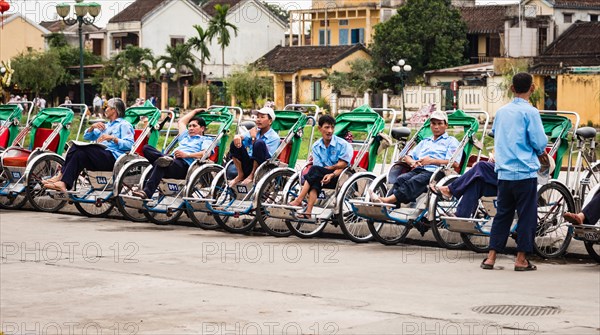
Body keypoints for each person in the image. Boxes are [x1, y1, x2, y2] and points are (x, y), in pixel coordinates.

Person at [480, 72, 548, 272]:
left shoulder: (501, 112)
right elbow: (539, 142)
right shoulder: (531, 112)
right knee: (527, 216)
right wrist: (540, 152)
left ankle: (491, 257)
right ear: (532, 88)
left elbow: (496, 134)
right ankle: (521, 259)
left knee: (503, 215)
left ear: (511, 89)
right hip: (524, 172)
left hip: (504, 172)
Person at [370, 111, 459, 207]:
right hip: (419, 169)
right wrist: (412, 162)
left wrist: (432, 161)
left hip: (437, 172)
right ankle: (392, 206)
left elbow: (455, 163)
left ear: (446, 125)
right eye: (433, 124)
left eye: (440, 123)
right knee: (401, 179)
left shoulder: (451, 141)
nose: (436, 127)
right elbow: (408, 156)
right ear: (430, 125)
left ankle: (386, 201)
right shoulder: (425, 141)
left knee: (415, 181)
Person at [43, 98, 134, 192]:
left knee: (81, 149)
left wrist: (113, 138)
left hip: (113, 158)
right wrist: (92, 128)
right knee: (77, 152)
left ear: (114, 110)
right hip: (101, 156)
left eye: (107, 107)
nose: (105, 109)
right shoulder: (106, 125)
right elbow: (87, 137)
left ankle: (60, 176)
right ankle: (63, 182)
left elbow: (129, 145)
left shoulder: (124, 125)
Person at [132, 109, 212, 199]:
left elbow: (206, 153)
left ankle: (146, 192)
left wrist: (186, 155)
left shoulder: (206, 140)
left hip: (184, 165)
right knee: (146, 148)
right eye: (189, 126)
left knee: (161, 164)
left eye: (194, 126)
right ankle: (164, 160)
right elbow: (181, 122)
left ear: (202, 128)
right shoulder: (185, 136)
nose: (191, 128)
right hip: (172, 160)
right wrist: (195, 111)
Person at [288, 115, 352, 218]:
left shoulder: (343, 145)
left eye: (332, 127)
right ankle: (308, 212)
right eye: (326, 127)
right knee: (315, 178)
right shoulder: (316, 146)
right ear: (320, 128)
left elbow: (343, 165)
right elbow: (318, 167)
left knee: (314, 171)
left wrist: (331, 173)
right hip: (322, 176)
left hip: (339, 177)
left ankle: (299, 199)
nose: (330, 131)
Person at [228, 106, 280, 187]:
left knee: (259, 143)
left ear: (270, 121)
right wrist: (238, 137)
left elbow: (268, 158)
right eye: (257, 117)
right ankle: (240, 174)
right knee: (234, 143)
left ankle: (252, 176)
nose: (258, 119)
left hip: (263, 167)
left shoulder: (274, 137)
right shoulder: (254, 131)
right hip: (248, 163)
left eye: (262, 117)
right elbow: (242, 137)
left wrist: (253, 138)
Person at [433, 160, 498, 218]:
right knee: (475, 182)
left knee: (480, 166)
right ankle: (461, 215)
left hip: (506, 178)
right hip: (500, 181)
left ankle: (450, 189)